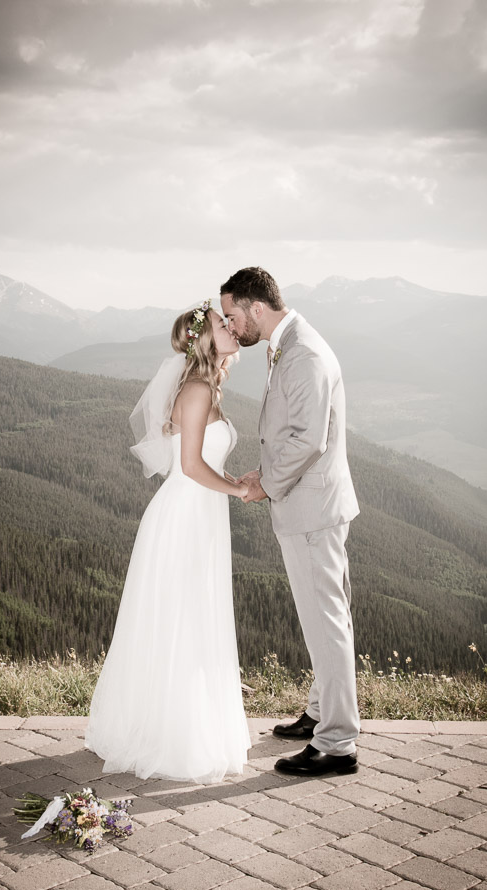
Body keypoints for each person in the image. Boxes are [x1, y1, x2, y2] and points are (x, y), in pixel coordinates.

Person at [84, 301, 252, 783]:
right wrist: (238, 488)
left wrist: (231, 480)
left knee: (194, 619)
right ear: (204, 337)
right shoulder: (197, 389)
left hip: (200, 512)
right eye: (223, 323)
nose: (231, 327)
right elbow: (193, 466)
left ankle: (186, 725)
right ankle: (173, 737)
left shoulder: (206, 385)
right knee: (183, 620)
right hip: (185, 516)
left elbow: (202, 463)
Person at [220, 267, 361, 777]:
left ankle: (338, 744)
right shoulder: (291, 343)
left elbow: (308, 439)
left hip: (311, 510)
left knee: (326, 625)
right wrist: (267, 469)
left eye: (234, 315)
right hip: (311, 502)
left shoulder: (303, 353)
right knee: (327, 619)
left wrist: (264, 482)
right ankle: (321, 714)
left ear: (257, 308)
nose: (232, 326)